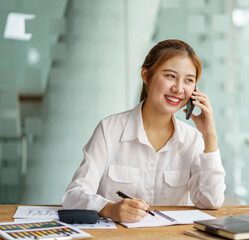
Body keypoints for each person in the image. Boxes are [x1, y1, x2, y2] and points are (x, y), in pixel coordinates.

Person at [61, 39, 226, 223]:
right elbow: (73, 195)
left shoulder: (192, 139)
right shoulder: (110, 130)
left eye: (188, 80)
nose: (179, 89)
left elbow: (211, 201)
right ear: (146, 76)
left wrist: (209, 136)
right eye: (170, 76)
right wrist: (109, 208)